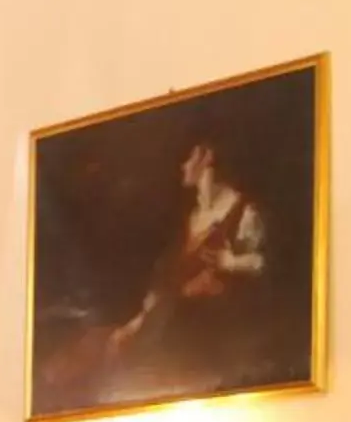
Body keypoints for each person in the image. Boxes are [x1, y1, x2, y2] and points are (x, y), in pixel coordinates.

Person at [114, 139, 267, 355]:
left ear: (208, 157)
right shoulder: (194, 215)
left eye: (189, 158)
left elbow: (261, 263)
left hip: (214, 334)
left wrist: (230, 262)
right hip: (174, 327)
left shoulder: (243, 211)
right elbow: (170, 284)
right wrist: (135, 323)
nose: (183, 166)